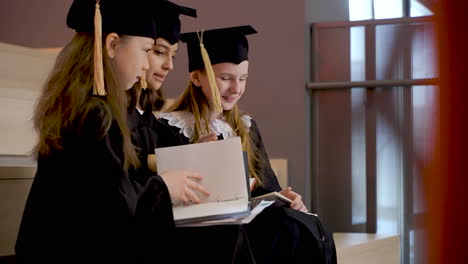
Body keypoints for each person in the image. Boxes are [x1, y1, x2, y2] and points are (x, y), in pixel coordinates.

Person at [157, 25, 337, 263]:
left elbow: (265, 187)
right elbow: (165, 197)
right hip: (202, 231)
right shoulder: (170, 126)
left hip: (246, 224)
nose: (236, 88)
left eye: (243, 79)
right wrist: (194, 154)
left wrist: (283, 197)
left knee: (302, 225)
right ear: (196, 77)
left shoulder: (245, 126)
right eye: (225, 78)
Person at [15, 0, 175, 262]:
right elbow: (114, 212)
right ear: (112, 45)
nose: (147, 65)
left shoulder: (80, 103)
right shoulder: (94, 116)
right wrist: (165, 186)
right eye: (146, 50)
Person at [126, 0, 209, 206]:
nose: (169, 65)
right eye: (159, 52)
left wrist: (194, 155)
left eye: (173, 55)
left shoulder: (146, 116)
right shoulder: (109, 113)